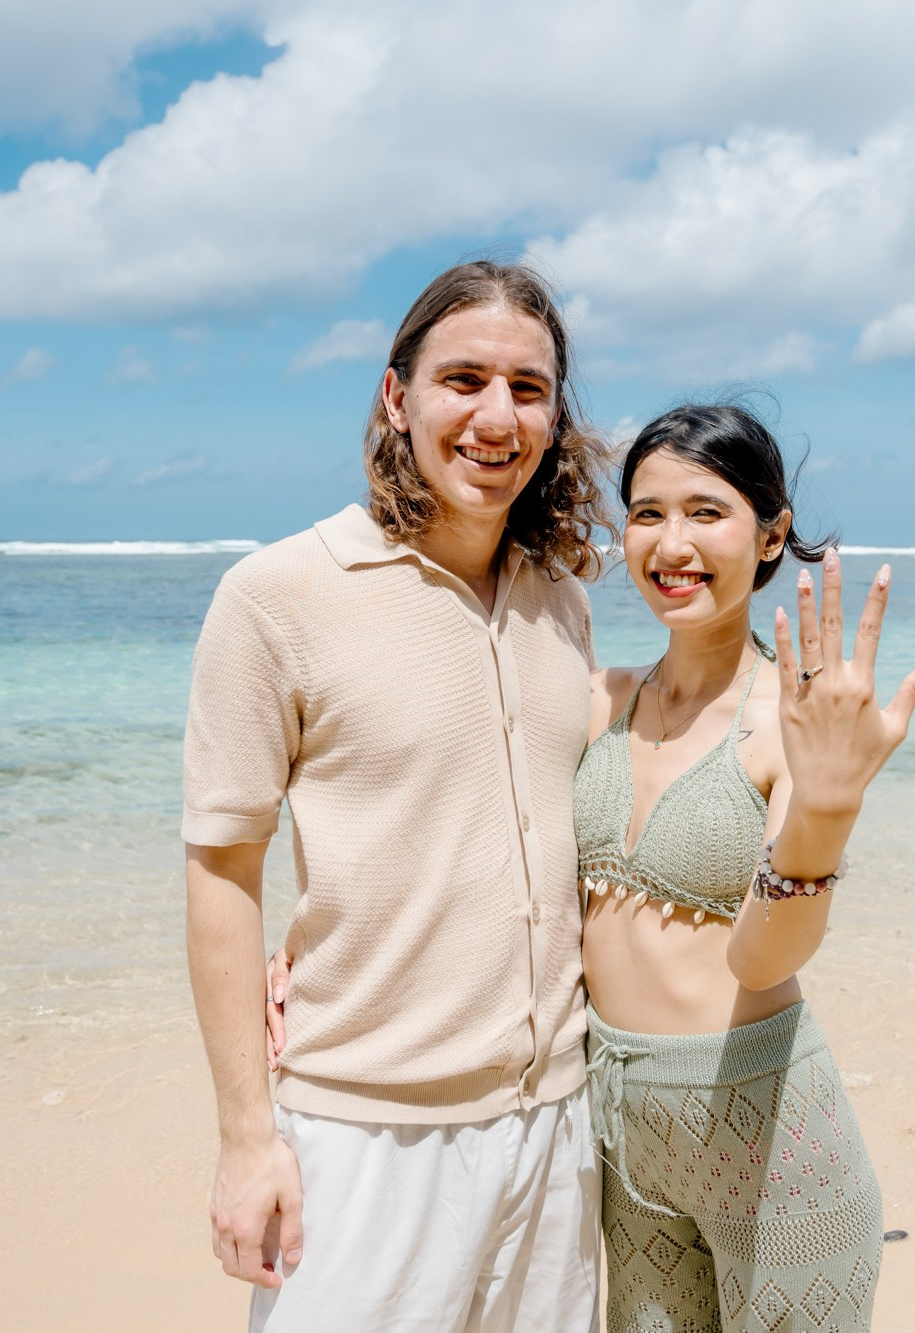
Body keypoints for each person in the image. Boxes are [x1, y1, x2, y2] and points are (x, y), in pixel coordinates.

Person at [182, 259, 612, 1332]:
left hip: (558, 1129)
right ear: (396, 397)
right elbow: (222, 870)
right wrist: (246, 1137)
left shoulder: (561, 601)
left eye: (527, 389)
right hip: (363, 1136)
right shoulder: (275, 596)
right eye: (462, 380)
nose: (495, 417)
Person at [572, 403, 915, 1332]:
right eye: (648, 513)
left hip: (774, 1151)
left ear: (772, 534)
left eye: (707, 511)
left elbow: (763, 958)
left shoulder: (793, 723)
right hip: (626, 1145)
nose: (672, 543)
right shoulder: (600, 700)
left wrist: (826, 807)